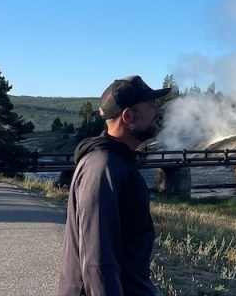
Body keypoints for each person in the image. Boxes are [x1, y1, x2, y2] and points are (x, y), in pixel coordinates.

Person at [58, 75, 171, 296]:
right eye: (151, 105)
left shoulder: (116, 162)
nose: (158, 111)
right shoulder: (103, 167)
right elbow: (97, 263)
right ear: (128, 116)